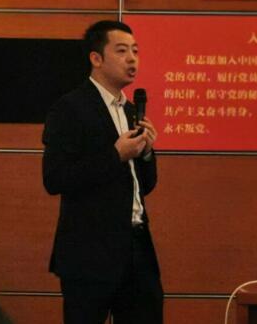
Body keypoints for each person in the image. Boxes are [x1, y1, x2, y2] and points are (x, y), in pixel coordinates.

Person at [42, 20, 163, 324]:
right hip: (89, 252)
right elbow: (55, 178)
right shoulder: (70, 108)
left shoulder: (131, 110)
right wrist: (115, 155)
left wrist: (146, 153)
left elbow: (144, 186)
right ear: (96, 58)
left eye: (135, 51)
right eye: (121, 51)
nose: (132, 59)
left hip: (136, 247)